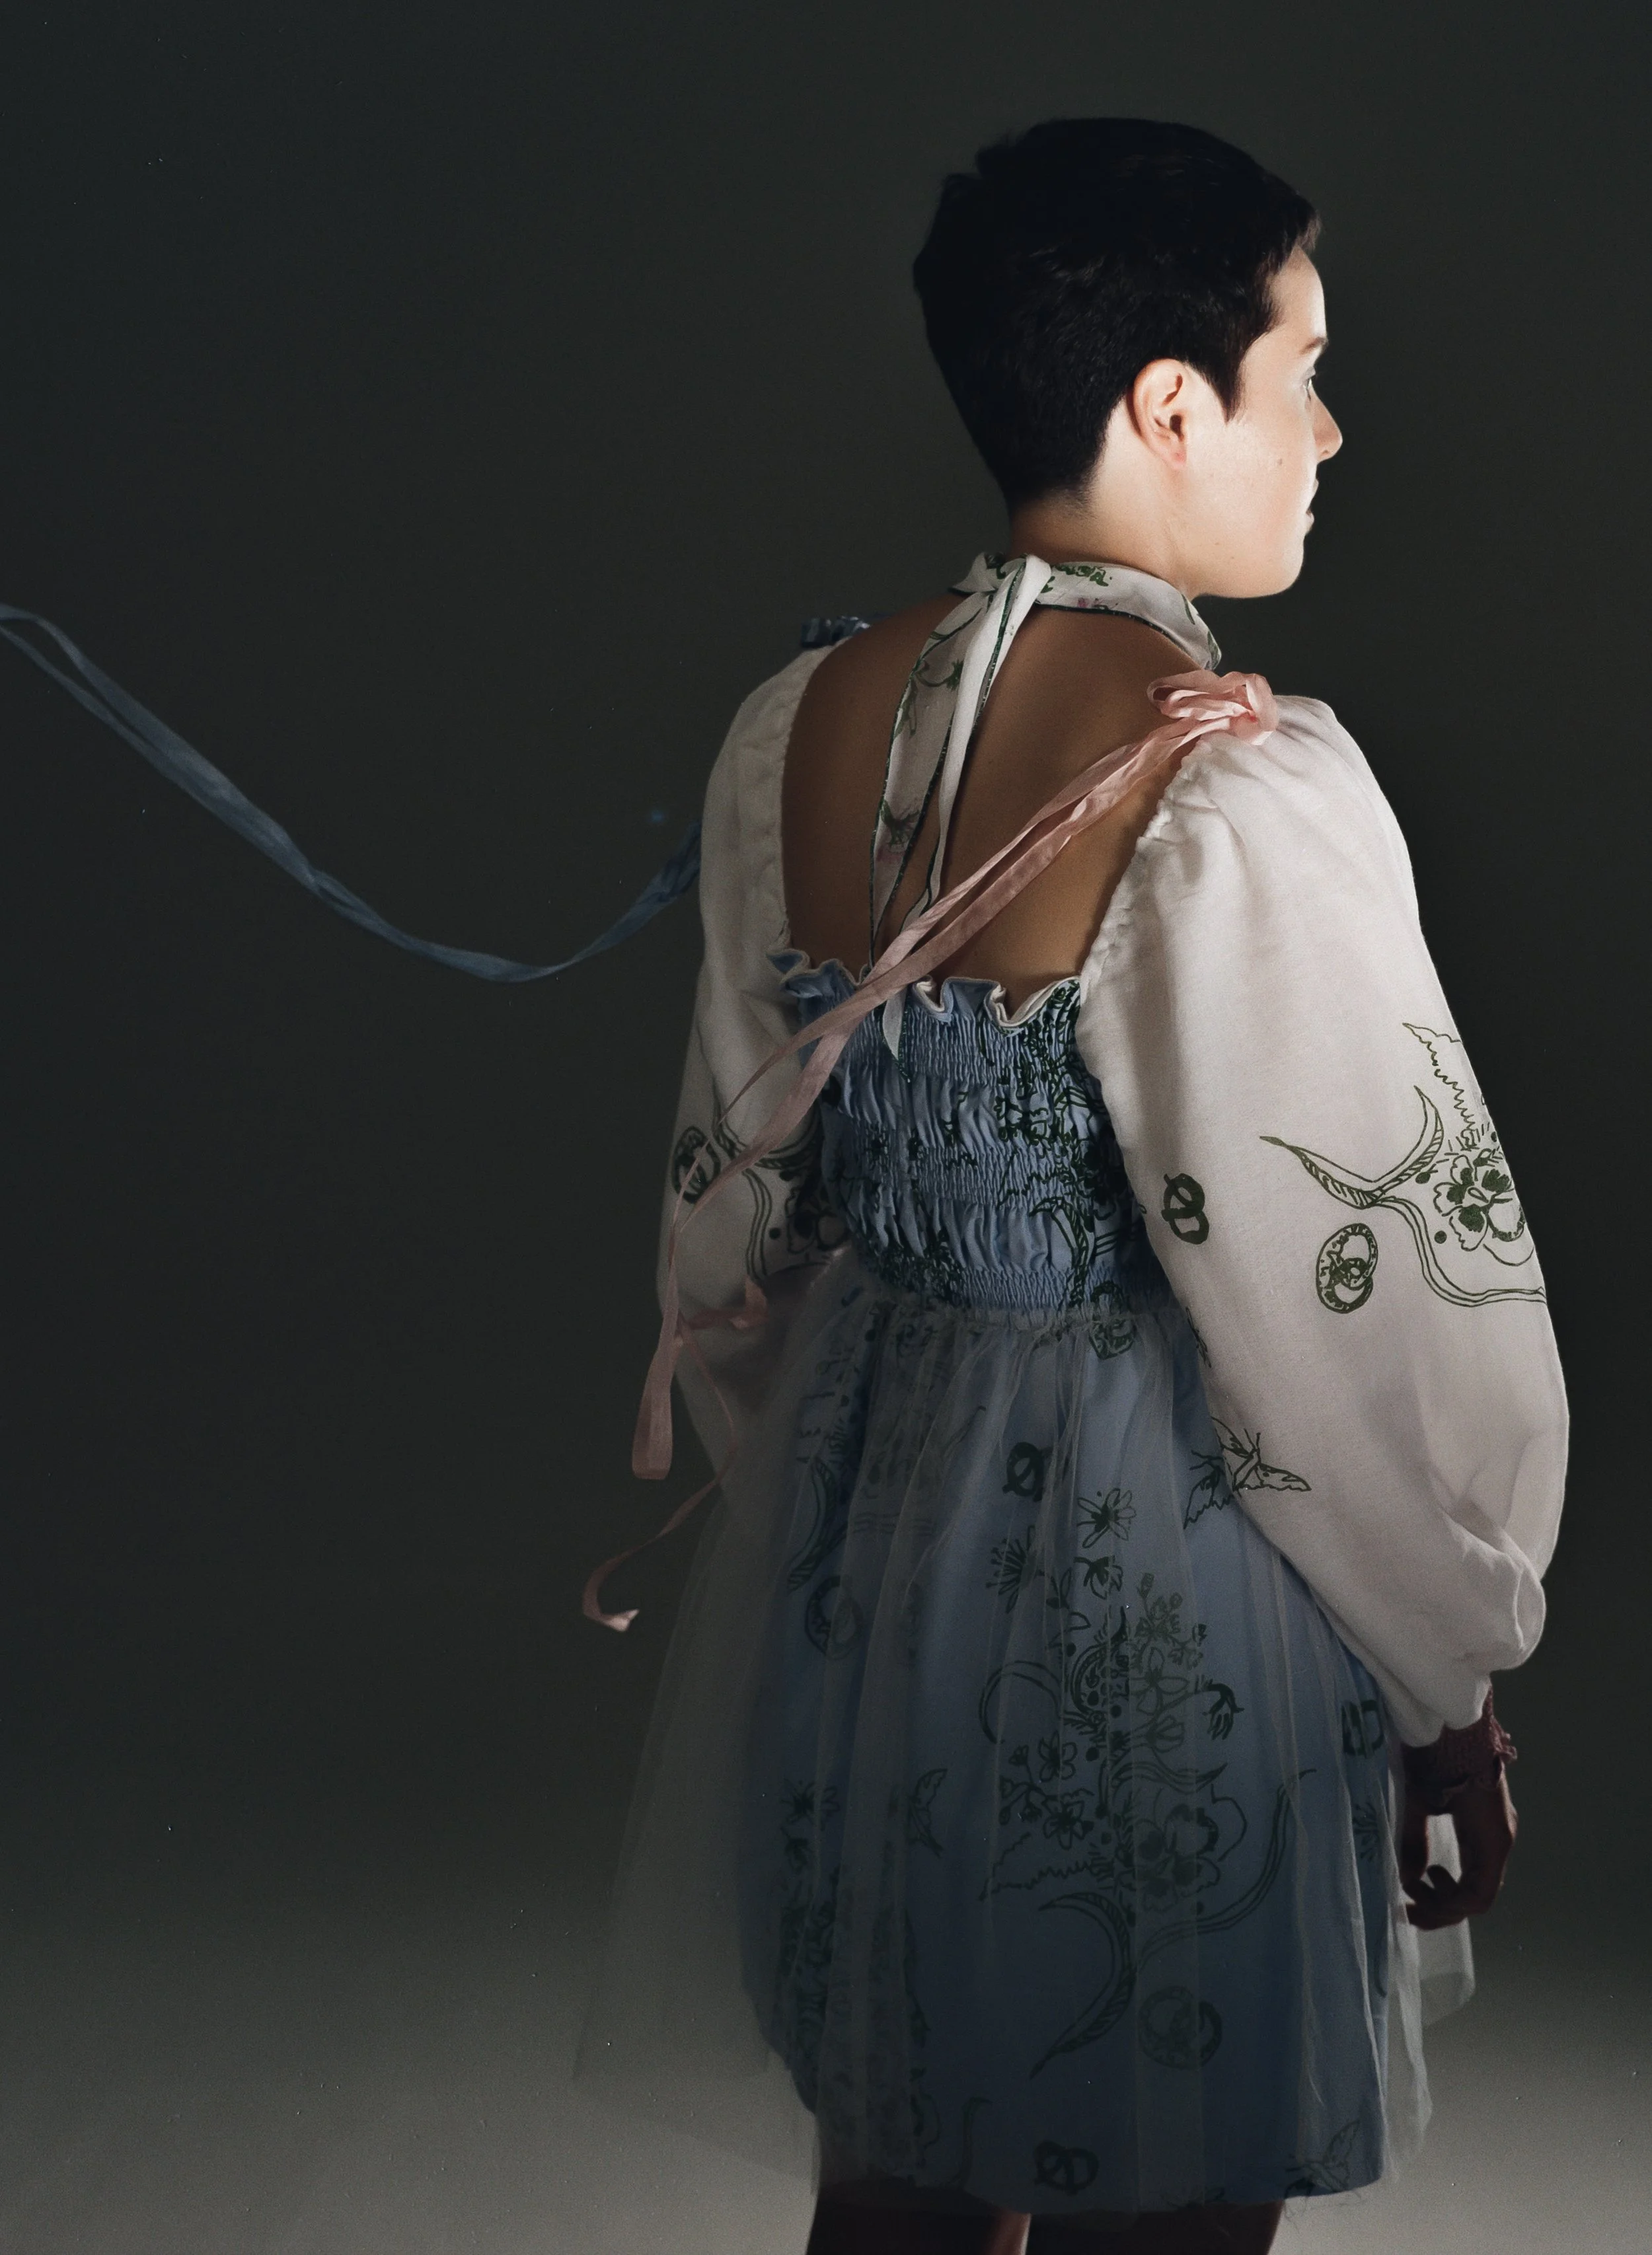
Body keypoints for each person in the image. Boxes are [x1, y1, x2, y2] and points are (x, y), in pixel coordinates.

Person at [575, 119, 1566, 2255]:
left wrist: (822, 1516)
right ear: (1168, 403)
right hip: (1167, 1578)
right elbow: (1349, 1303)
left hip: (872, 1542)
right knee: (1166, 2179)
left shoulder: (798, 725)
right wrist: (1450, 1673)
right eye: (1303, 369)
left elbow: (735, 1231)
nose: (1327, 431)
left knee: (899, 2183)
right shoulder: (1236, 778)